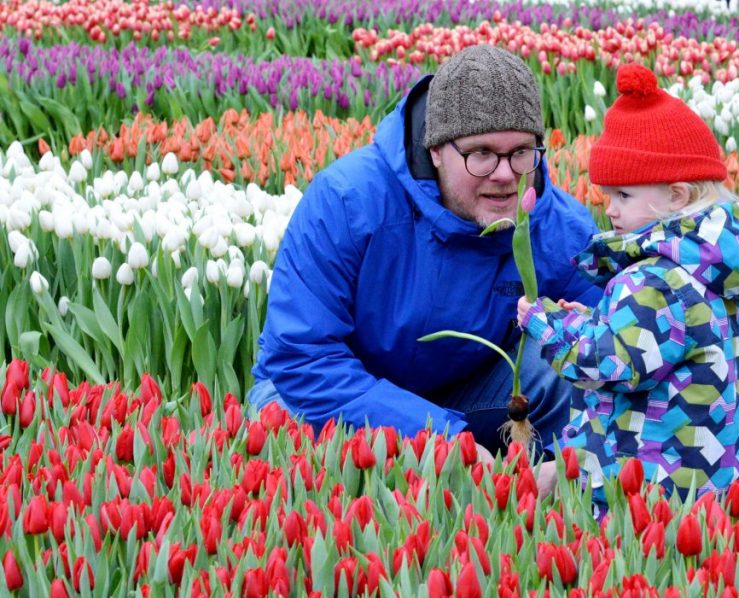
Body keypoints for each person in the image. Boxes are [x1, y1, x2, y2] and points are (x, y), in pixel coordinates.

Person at [248, 45, 600, 462]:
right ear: (435, 150)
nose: (506, 174)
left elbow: (612, 350)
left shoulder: (558, 227)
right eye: (482, 153)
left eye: (521, 152)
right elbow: (301, 359)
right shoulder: (348, 201)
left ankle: (545, 499)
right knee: (279, 417)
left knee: (568, 367)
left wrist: (574, 464)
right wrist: (444, 438)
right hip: (333, 390)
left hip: (469, 392)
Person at [516, 64, 739, 512]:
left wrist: (545, 322)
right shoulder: (709, 266)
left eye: (624, 196)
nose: (609, 209)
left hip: (649, 489)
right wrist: (593, 321)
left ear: (677, 196)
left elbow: (607, 364)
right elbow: (653, 345)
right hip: (705, 474)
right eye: (608, 194)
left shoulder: (658, 280)